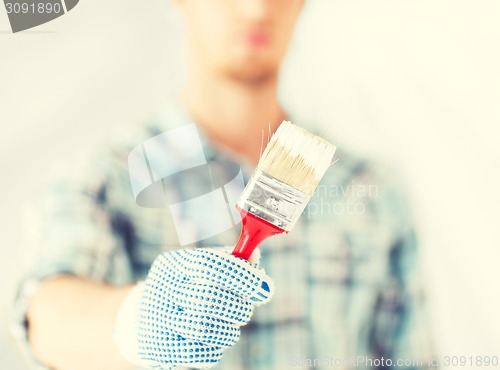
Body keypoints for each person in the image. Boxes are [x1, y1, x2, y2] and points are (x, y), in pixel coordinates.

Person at [12, 0, 434, 369]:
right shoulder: (105, 177)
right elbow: (46, 320)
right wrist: (137, 320)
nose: (255, 7)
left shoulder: (370, 189)